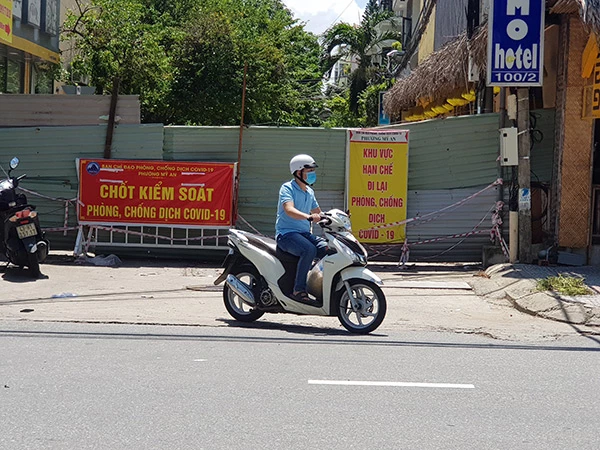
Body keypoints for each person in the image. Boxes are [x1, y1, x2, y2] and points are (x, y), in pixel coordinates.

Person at [276, 154, 328, 303]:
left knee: (328, 249)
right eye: (309, 171)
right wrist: (308, 216)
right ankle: (298, 290)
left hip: (304, 234)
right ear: (298, 172)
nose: (312, 174)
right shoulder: (287, 188)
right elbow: (289, 209)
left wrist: (333, 218)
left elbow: (318, 212)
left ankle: (320, 286)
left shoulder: (309, 192)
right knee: (309, 250)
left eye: (313, 171)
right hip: (286, 235)